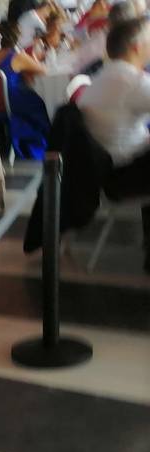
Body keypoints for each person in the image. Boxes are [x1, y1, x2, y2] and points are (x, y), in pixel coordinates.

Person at [78, 16, 150, 271]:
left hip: (104, 171)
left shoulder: (103, 77)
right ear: (137, 47)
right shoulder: (131, 81)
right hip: (119, 178)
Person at [0, 20, 51, 159]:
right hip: (11, 101)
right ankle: (38, 149)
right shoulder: (18, 56)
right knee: (42, 105)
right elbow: (44, 71)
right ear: (18, 37)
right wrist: (33, 59)